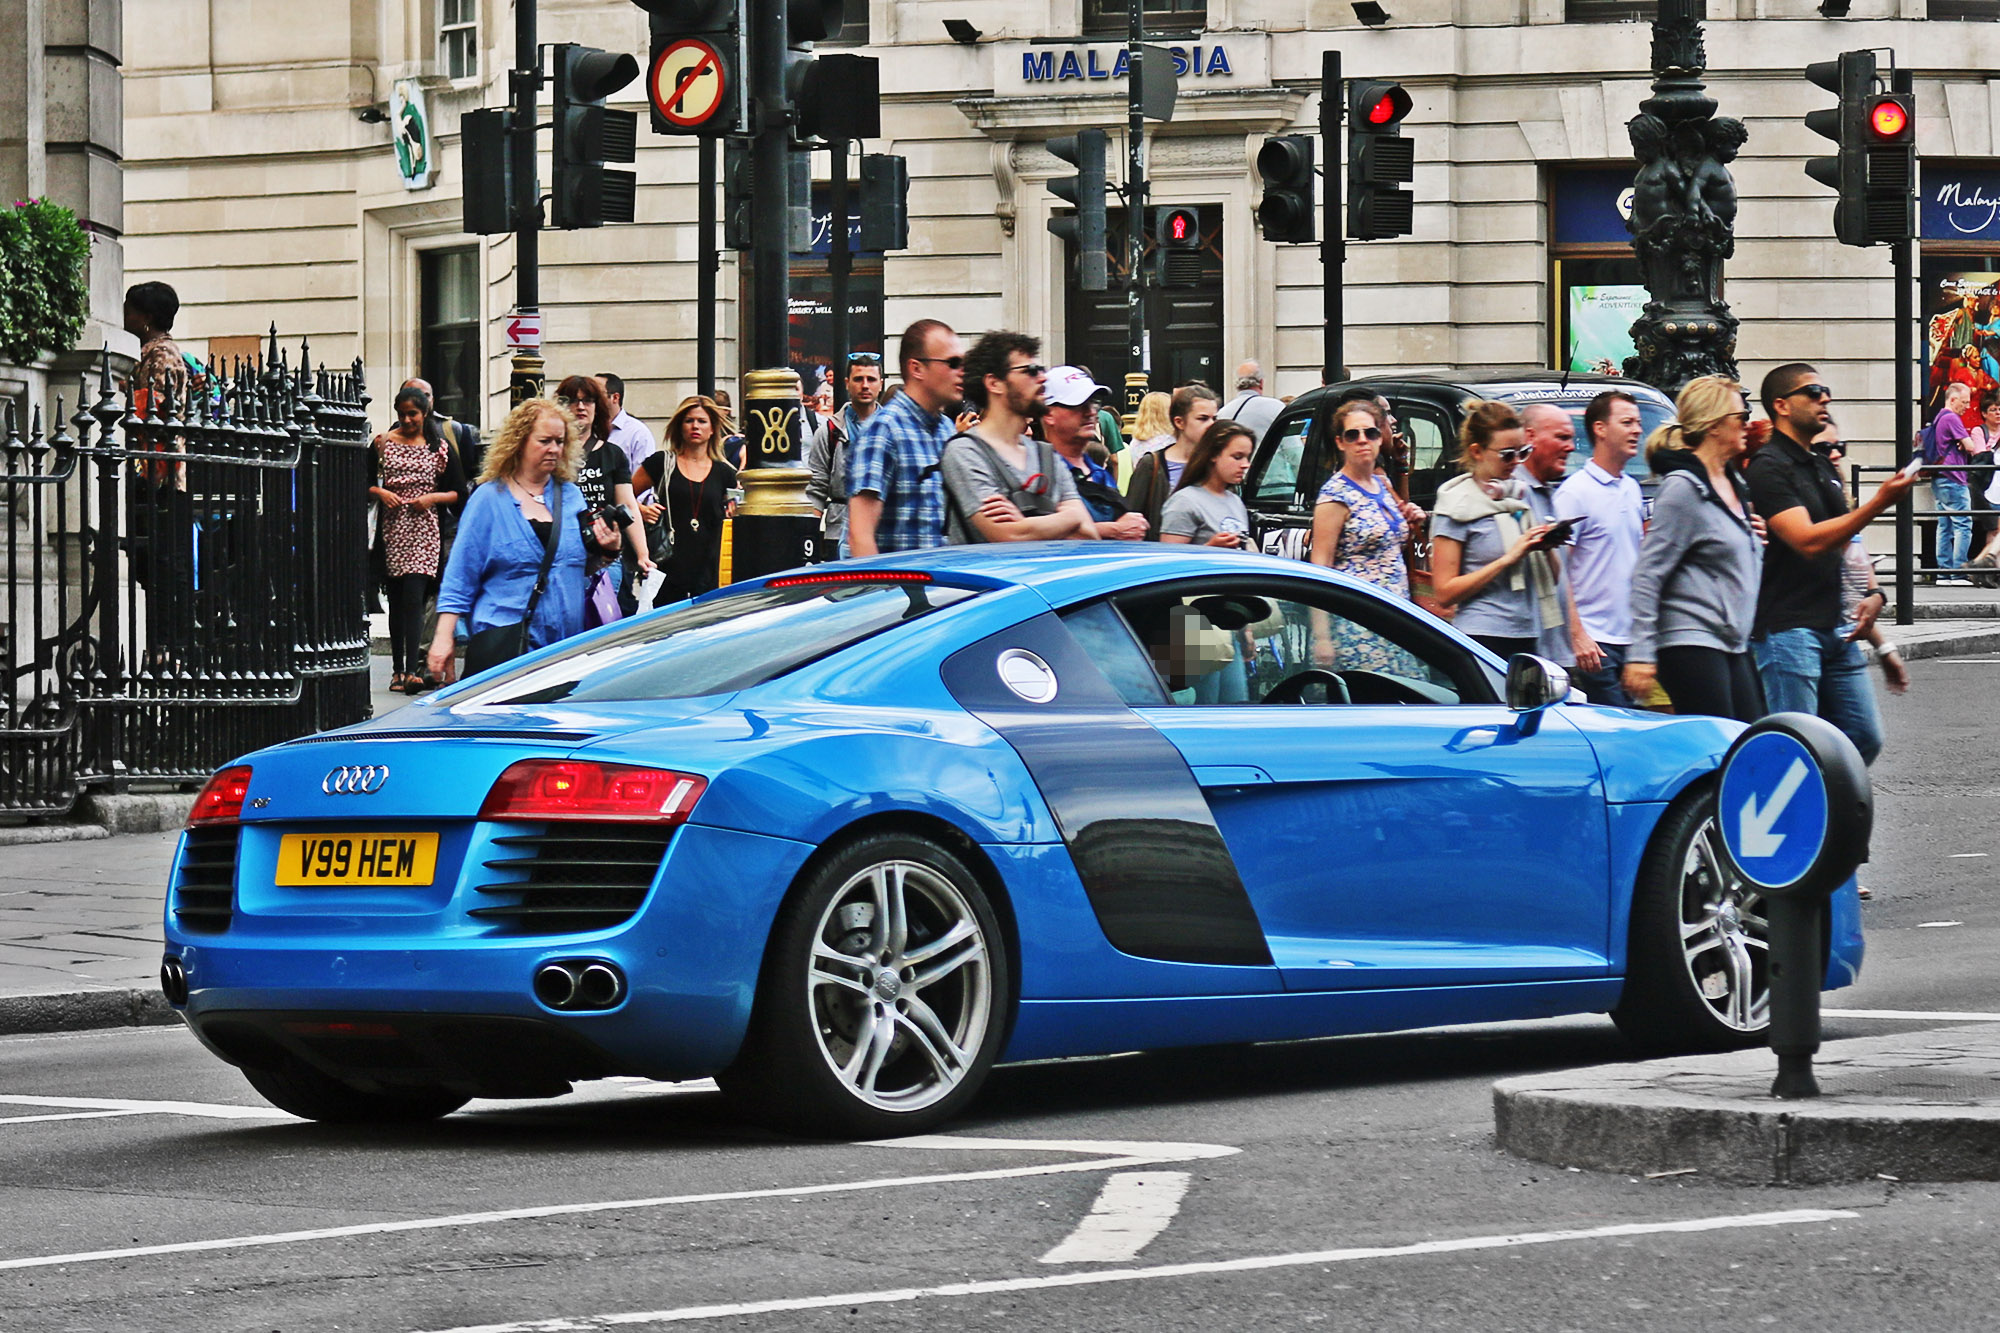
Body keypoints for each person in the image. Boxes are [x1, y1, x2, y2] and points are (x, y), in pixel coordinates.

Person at [1744, 363, 1917, 766]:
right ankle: (1789, 822)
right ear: (1781, 405)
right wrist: (1879, 502)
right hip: (1788, 630)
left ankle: (1823, 811)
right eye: (1814, 391)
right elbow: (1807, 541)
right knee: (1795, 749)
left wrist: (1873, 596)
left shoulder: (1820, 465)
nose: (1826, 398)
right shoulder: (1769, 467)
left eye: (1825, 390)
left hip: (1834, 628)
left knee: (1862, 737)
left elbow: (1847, 548)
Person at [429, 399, 621, 684]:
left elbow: (575, 566)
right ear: (519, 442)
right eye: (544, 440)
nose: (554, 448)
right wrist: (444, 638)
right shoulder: (489, 499)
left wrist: (607, 550)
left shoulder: (570, 497)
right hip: (505, 646)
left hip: (563, 650)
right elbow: (460, 576)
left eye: (559, 441)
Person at [1620, 377, 1766, 722]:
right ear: (1715, 425)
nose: (1747, 422)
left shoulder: (1733, 483)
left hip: (1732, 640)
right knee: (1720, 746)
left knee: (1751, 736)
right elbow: (1648, 574)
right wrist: (1640, 653)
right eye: (1741, 416)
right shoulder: (1683, 489)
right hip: (1690, 640)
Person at [1428, 400, 1564, 659]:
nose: (1516, 463)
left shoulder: (1517, 496)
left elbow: (1554, 578)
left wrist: (1546, 547)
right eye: (1507, 455)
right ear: (1477, 451)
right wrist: (1508, 559)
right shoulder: (1457, 505)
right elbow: (1444, 593)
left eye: (1522, 453)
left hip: (1529, 633)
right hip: (1482, 636)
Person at [938, 333, 1095, 545]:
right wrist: (1069, 517)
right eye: (1030, 371)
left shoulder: (1044, 453)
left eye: (1040, 370)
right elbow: (1007, 536)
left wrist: (1024, 521)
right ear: (994, 383)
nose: (1043, 378)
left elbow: (1088, 535)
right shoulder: (965, 451)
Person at [371, 386, 467, 693]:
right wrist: (381, 492)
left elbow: (457, 492)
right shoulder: (383, 444)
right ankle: (397, 670)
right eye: (401, 414)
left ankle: (412, 668)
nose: (407, 420)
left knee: (415, 599)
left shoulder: (439, 448)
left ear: (425, 414)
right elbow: (362, 483)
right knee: (397, 601)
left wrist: (431, 499)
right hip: (392, 529)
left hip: (425, 530)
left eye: (412, 414)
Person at [1554, 390, 1646, 705]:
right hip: (1595, 646)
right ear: (1600, 429)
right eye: (1627, 422)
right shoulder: (1575, 493)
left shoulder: (1632, 488)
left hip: (1630, 641)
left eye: (1638, 422)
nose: (1638, 430)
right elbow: (1559, 571)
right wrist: (1578, 635)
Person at [847, 319, 963, 556]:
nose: (961, 372)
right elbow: (860, 535)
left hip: (943, 588)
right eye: (952, 363)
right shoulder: (884, 429)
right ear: (916, 368)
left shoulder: (946, 429)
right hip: (899, 588)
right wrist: (883, 592)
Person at [1815, 418, 1909, 697]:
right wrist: (1880, 501)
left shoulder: (1841, 501)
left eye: (1839, 447)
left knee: (1863, 735)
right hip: (1799, 638)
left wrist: (1884, 646)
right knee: (1799, 734)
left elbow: (1856, 593)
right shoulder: (1800, 507)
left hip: (1842, 635)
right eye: (1824, 449)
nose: (1835, 454)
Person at [556, 374, 651, 626]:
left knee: (599, 627)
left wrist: (642, 555)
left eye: (587, 401)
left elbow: (628, 505)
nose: (580, 407)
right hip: (563, 555)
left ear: (597, 407)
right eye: (573, 401)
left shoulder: (612, 454)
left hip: (605, 556)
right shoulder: (552, 453)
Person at [634, 396, 740, 605]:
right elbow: (623, 495)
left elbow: (736, 514)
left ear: (712, 429)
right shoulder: (661, 462)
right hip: (668, 563)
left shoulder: (725, 472)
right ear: (680, 426)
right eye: (689, 420)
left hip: (710, 565)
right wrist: (642, 510)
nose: (695, 426)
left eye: (702, 421)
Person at [1517, 403, 1597, 676]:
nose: (1572, 447)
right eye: (1561, 438)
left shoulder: (1546, 491)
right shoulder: (1514, 494)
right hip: (1532, 657)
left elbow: (1562, 578)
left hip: (1556, 654)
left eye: (1571, 439)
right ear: (1529, 437)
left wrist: (1574, 634)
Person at [1308, 398, 1415, 596]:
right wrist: (1321, 626)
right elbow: (1321, 569)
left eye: (1371, 433)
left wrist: (1412, 518)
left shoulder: (1383, 485)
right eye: (1352, 435)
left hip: (1396, 614)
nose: (1363, 439)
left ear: (1380, 438)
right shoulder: (1335, 495)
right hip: (1357, 616)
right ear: (1340, 442)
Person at [1042, 366, 1149, 540]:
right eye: (1077, 405)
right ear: (1049, 414)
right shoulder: (1038, 470)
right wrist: (1113, 529)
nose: (1091, 412)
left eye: (1093, 403)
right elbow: (1033, 537)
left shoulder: (1098, 472)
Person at [805, 352, 884, 556]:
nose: (865, 385)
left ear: (881, 384)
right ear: (847, 383)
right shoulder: (829, 431)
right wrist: (809, 538)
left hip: (882, 533)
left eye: (871, 379)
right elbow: (816, 489)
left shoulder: (894, 431)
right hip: (838, 531)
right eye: (858, 379)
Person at [1125, 382, 1219, 537]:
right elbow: (1132, 520)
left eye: (1214, 419)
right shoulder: (1152, 464)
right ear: (1179, 422)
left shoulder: (1217, 464)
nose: (1211, 425)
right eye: (1203, 419)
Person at [1159, 419, 1256, 548]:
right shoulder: (1184, 501)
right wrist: (1211, 547)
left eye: (1247, 457)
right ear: (1213, 455)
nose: (1245, 465)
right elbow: (1170, 559)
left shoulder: (1235, 501)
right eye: (1237, 457)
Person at [1925, 382, 1976, 584]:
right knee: (1964, 525)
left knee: (1944, 526)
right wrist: (1965, 441)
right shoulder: (1952, 418)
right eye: (1964, 402)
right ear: (1953, 400)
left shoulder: (1938, 418)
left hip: (1940, 478)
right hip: (1954, 477)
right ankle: (1958, 573)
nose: (1967, 406)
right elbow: (1971, 447)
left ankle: (1944, 573)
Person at [597, 371, 658, 476]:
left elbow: (643, 481)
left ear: (615, 398)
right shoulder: (584, 430)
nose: (590, 399)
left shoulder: (638, 433)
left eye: (596, 394)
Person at [1216, 360, 1284, 445]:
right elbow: (1292, 449)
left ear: (1237, 384)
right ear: (1261, 383)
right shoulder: (1276, 407)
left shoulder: (1223, 412)